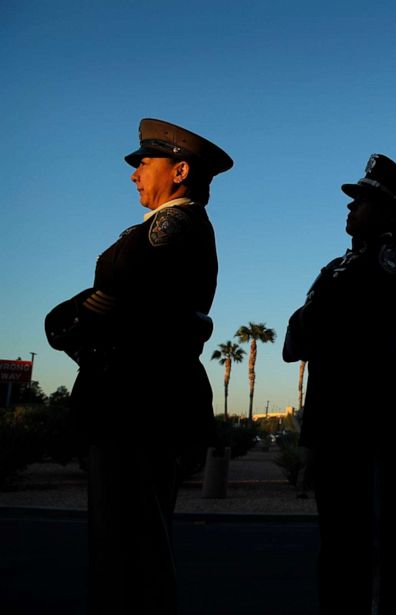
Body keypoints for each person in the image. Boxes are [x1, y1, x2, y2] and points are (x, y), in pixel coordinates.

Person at [44, 118, 232, 613]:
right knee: (123, 547)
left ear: (180, 170)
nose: (134, 174)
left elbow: (129, 290)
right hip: (129, 400)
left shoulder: (176, 224)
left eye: (145, 163)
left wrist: (74, 315)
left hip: (138, 402)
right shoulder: (159, 226)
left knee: (131, 550)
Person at [283, 153, 396, 614]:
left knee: (375, 546)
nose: (349, 208)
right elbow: (295, 339)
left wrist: (320, 321)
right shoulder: (338, 267)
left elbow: (344, 322)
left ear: (389, 211)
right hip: (335, 418)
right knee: (339, 547)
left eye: (361, 201)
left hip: (376, 420)